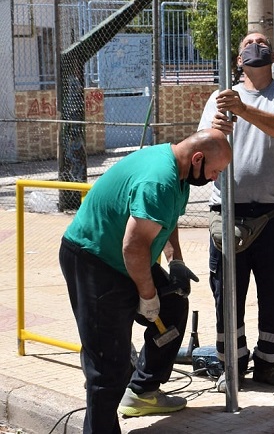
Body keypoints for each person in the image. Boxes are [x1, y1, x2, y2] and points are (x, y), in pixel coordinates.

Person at [58, 129, 232, 433]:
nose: (216, 179)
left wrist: (174, 261)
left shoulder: (179, 173)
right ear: (198, 158)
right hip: (94, 260)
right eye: (215, 171)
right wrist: (148, 296)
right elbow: (133, 247)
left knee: (174, 307)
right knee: (108, 365)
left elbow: (168, 219)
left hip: (127, 259)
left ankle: (143, 391)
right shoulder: (159, 181)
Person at [198, 31, 274, 388]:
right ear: (238, 60)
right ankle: (232, 365)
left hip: (273, 214)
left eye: (262, 41)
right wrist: (218, 128)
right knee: (227, 294)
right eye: (247, 43)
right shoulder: (220, 98)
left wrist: (244, 109)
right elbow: (205, 147)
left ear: (272, 56)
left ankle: (269, 364)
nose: (255, 45)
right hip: (228, 211)